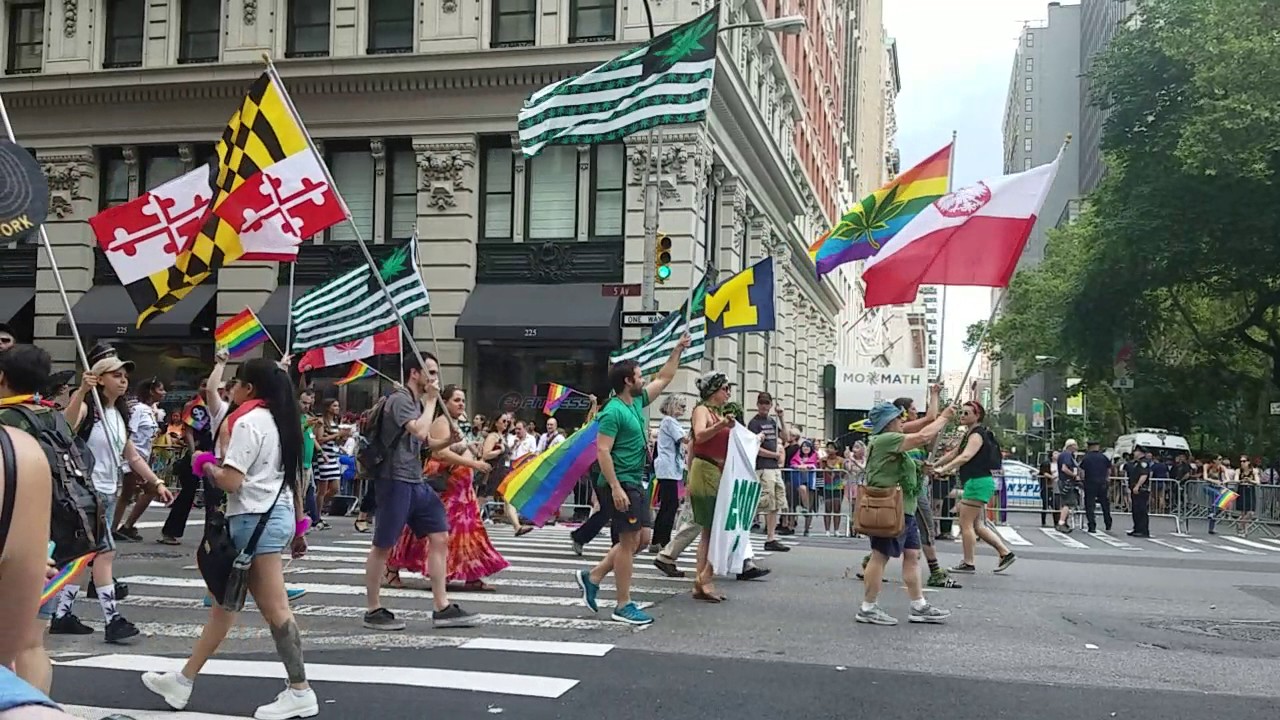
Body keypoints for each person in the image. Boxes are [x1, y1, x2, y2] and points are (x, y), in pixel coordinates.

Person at [141, 358, 318, 719]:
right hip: (272, 516)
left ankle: (300, 690)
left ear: (249, 389)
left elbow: (232, 481)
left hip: (254, 520)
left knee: (275, 608)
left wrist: (205, 462)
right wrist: (299, 521)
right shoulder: (282, 422)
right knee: (224, 603)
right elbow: (293, 479)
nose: (230, 389)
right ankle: (183, 679)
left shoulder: (250, 422)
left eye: (235, 383)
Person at [575, 334, 690, 626]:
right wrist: (614, 487)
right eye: (639, 375)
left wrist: (677, 350)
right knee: (628, 542)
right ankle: (623, 604)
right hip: (621, 481)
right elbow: (602, 450)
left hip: (635, 480)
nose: (643, 379)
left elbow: (664, 378)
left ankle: (594, 575)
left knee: (643, 538)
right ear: (627, 380)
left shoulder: (636, 401)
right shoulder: (612, 411)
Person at [60, 349, 174, 643]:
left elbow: (131, 455)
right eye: (116, 375)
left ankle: (62, 613)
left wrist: (156, 482)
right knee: (105, 552)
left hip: (108, 492)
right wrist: (82, 391)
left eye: (125, 377)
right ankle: (112, 619)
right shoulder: (88, 408)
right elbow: (65, 429)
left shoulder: (119, 413)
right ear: (99, 378)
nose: (123, 382)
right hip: (87, 492)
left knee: (85, 556)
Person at [362, 352, 475, 631]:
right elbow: (419, 432)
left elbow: (427, 444)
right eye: (431, 372)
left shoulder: (415, 401)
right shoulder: (400, 400)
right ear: (415, 373)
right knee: (383, 545)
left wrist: (449, 438)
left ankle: (441, 605)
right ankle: (373, 608)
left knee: (439, 535)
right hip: (394, 480)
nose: (435, 378)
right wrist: (432, 400)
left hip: (415, 480)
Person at [384, 385, 504, 592]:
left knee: (469, 531)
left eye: (463, 401)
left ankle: (472, 573)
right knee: (430, 531)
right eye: (457, 400)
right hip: (447, 487)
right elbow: (439, 454)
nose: (461, 404)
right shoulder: (441, 422)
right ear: (445, 403)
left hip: (462, 488)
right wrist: (473, 464)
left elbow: (455, 448)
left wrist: (470, 450)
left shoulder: (457, 423)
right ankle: (392, 567)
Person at [856, 401, 953, 626]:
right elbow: (923, 436)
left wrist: (921, 468)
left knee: (912, 555)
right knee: (879, 555)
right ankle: (868, 607)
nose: (902, 421)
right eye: (898, 418)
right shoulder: (886, 439)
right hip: (890, 508)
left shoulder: (890, 442)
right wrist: (945, 417)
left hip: (903, 508)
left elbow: (902, 466)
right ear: (888, 422)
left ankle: (918, 605)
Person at [932, 401, 1016, 574]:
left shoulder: (977, 435)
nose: (962, 416)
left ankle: (968, 562)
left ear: (977, 416)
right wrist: (935, 465)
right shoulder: (969, 434)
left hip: (978, 482)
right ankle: (1005, 553)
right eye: (961, 413)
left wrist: (944, 469)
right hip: (977, 482)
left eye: (967, 413)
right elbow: (954, 453)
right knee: (977, 526)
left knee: (966, 524)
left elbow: (966, 456)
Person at [686, 371, 736, 603]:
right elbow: (699, 436)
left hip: (715, 471)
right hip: (705, 470)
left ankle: (702, 579)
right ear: (715, 390)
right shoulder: (702, 411)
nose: (728, 393)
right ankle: (704, 579)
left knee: (710, 529)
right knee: (712, 528)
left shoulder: (716, 413)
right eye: (725, 388)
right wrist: (722, 425)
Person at [113, 376, 168, 542]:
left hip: (142, 459)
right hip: (132, 460)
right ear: (151, 391)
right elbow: (129, 432)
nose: (164, 393)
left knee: (132, 493)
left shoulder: (152, 411)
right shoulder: (138, 410)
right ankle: (116, 528)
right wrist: (129, 460)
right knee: (130, 493)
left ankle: (123, 526)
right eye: (160, 389)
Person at [747, 392, 789, 551]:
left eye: (767, 403)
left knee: (776, 502)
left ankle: (771, 537)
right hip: (763, 467)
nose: (764, 406)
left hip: (773, 468)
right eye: (761, 403)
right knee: (764, 501)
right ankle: (747, 530)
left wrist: (782, 418)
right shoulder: (754, 423)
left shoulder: (771, 421)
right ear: (758, 405)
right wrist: (775, 455)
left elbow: (785, 437)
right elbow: (754, 447)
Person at [649, 395, 687, 553]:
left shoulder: (671, 422)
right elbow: (684, 438)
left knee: (668, 505)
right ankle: (662, 539)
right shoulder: (669, 422)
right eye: (681, 406)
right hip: (668, 467)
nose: (683, 409)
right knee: (670, 505)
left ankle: (658, 539)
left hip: (671, 467)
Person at [1079, 440, 1113, 533]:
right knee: (1105, 504)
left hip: (1090, 483)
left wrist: (1082, 481)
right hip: (1102, 483)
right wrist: (1106, 479)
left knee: (1090, 505)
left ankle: (1092, 525)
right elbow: (1109, 470)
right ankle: (1108, 522)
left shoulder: (1086, 458)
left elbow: (1082, 472)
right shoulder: (1104, 457)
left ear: (1089, 447)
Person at [1055, 439, 1081, 532]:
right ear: (1071, 446)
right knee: (1067, 503)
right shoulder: (1067, 455)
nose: (1077, 447)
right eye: (1075, 445)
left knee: (1065, 503)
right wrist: (1074, 475)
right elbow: (1064, 468)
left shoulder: (1064, 455)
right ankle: (1061, 523)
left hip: (1064, 481)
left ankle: (1063, 522)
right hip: (1067, 482)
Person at [1127, 447, 1151, 538]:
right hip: (1135, 489)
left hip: (1141, 489)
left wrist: (1137, 486)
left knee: (1141, 510)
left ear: (1141, 453)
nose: (1134, 453)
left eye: (1136, 451)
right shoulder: (1136, 463)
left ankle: (1143, 530)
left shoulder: (1143, 463)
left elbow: (1144, 475)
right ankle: (1137, 528)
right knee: (1136, 510)